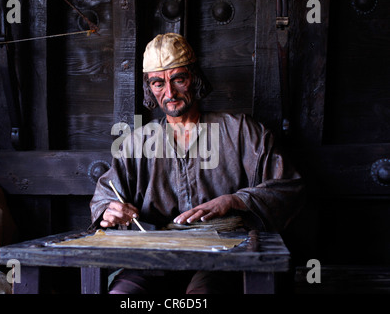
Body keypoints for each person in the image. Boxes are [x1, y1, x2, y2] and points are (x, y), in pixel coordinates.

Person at [89, 33, 304, 294]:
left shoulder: (240, 131)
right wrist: (109, 212)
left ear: (194, 78)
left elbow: (289, 187)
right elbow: (104, 198)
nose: (169, 93)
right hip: (154, 257)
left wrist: (235, 201)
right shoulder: (136, 143)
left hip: (222, 257)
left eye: (179, 79)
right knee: (123, 295)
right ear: (149, 88)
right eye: (158, 83)